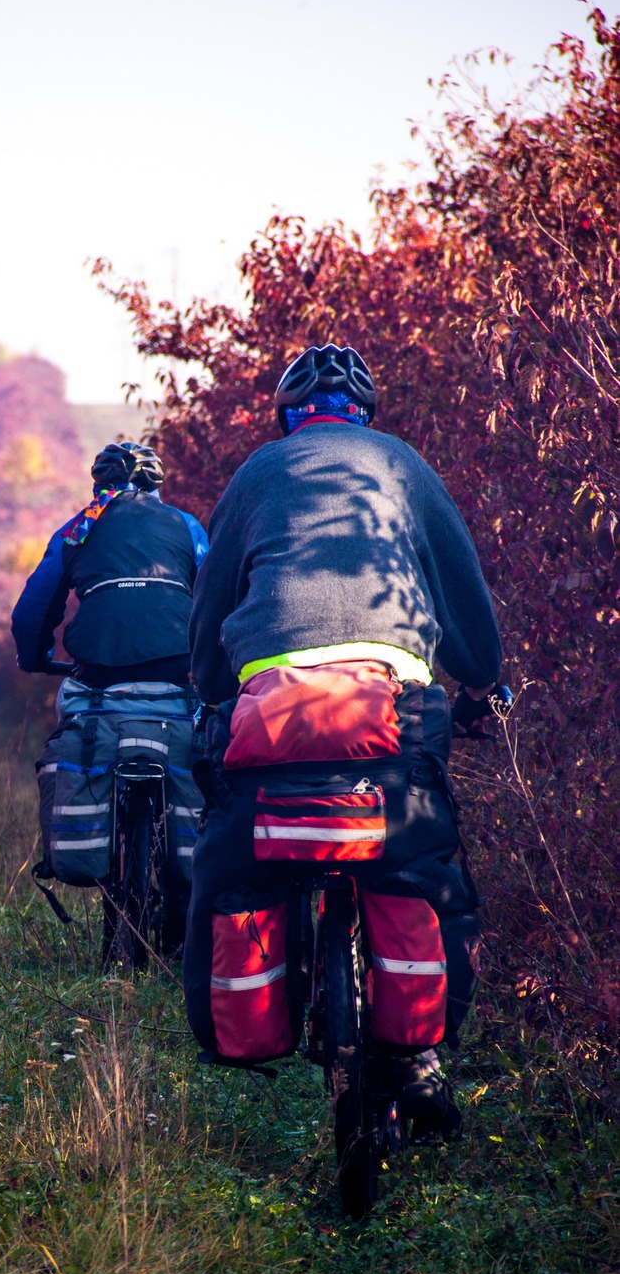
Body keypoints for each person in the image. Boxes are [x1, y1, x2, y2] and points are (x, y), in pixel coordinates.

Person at [185, 344, 505, 1139]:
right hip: (393, 703)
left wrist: (210, 686)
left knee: (236, 856)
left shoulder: (255, 474)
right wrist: (480, 678)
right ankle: (418, 1055)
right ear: (364, 415)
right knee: (421, 855)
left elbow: (211, 599)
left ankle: (269, 1005)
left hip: (271, 709)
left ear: (285, 418)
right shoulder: (401, 465)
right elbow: (458, 584)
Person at [11, 442, 208, 687]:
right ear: (154, 486)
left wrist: (35, 659)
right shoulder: (187, 524)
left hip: (99, 664)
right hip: (178, 657)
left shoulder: (74, 531)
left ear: (99, 485)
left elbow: (33, 609)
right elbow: (214, 595)